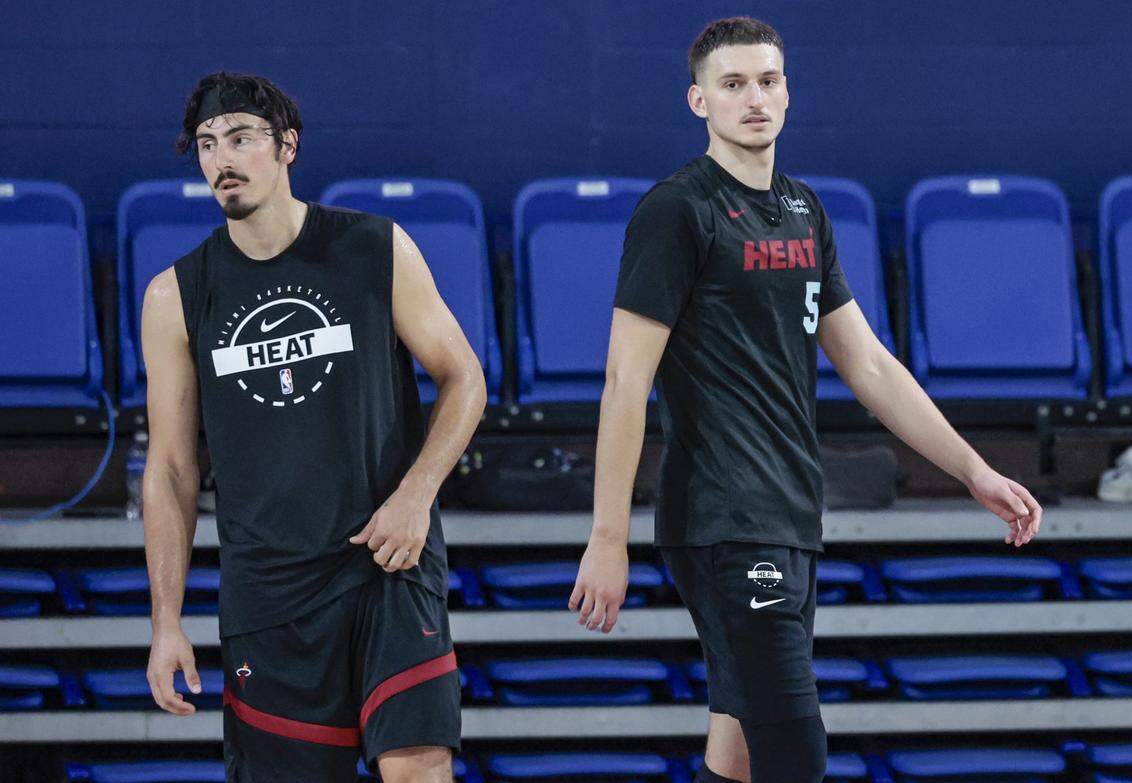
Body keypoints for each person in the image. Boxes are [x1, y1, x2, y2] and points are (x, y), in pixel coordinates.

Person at [569, 17, 1043, 783]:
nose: (754, 98)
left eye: (768, 80)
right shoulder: (677, 211)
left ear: (787, 91)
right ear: (699, 101)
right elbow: (626, 380)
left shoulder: (803, 211)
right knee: (795, 747)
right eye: (733, 84)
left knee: (739, 746)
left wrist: (974, 470)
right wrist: (607, 535)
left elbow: (871, 366)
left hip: (792, 512)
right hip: (724, 516)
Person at [141, 72, 485, 782]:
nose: (222, 159)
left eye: (241, 138)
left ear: (287, 146)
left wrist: (417, 494)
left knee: (419, 768)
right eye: (207, 144)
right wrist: (166, 622)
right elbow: (171, 469)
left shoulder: (374, 247)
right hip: (270, 595)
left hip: (387, 566)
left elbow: (465, 379)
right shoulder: (175, 295)